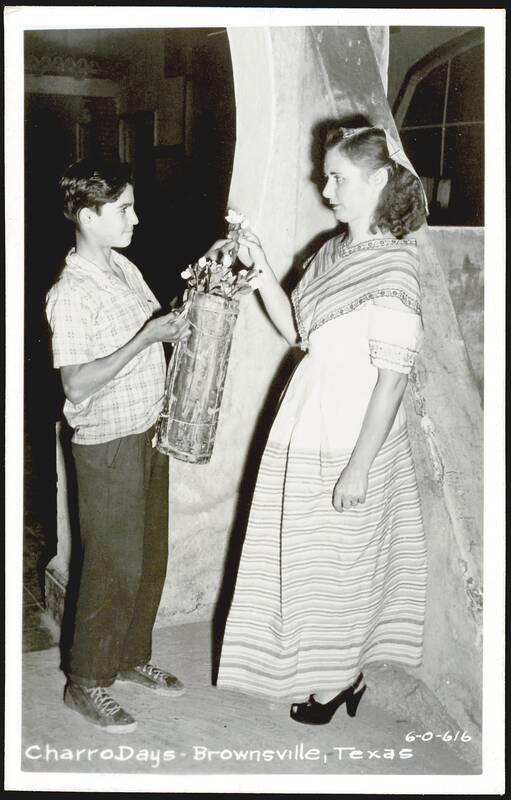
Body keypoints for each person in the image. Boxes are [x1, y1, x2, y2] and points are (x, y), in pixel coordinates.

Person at [213, 125, 429, 724]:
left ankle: (338, 682)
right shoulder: (332, 251)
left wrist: (358, 467)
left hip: (353, 435)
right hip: (307, 422)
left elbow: (392, 379)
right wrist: (259, 272)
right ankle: (335, 673)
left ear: (380, 181)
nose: (324, 185)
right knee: (309, 562)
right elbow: (298, 333)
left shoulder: (395, 268)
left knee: (343, 564)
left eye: (338, 176)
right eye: (325, 173)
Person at [46, 158, 190, 733]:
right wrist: (148, 336)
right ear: (88, 215)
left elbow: (154, 328)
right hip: (107, 445)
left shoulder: (124, 269)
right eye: (124, 208)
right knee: (109, 566)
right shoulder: (72, 292)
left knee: (147, 558)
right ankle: (85, 682)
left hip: (147, 431)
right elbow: (77, 383)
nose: (136, 216)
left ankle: (129, 657)